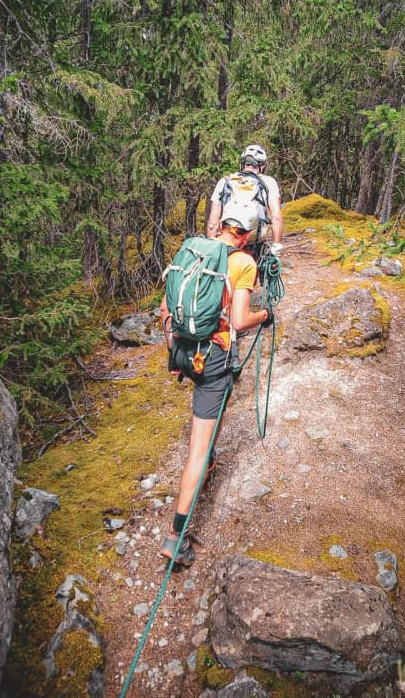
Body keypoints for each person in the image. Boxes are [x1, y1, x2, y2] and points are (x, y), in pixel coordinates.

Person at [158, 209, 274, 566]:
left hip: (182, 352)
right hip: (212, 359)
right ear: (247, 235)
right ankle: (176, 537)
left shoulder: (192, 250)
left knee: (206, 433)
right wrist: (264, 315)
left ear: (222, 227)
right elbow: (239, 320)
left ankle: (206, 466)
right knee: (198, 449)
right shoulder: (242, 263)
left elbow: (165, 309)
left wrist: (175, 352)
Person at [205, 144, 284, 261]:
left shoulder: (225, 181)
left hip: (226, 242)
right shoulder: (269, 182)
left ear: (242, 163)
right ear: (263, 166)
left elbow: (213, 220)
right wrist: (276, 245)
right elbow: (276, 216)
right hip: (253, 244)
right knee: (251, 274)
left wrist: (212, 246)